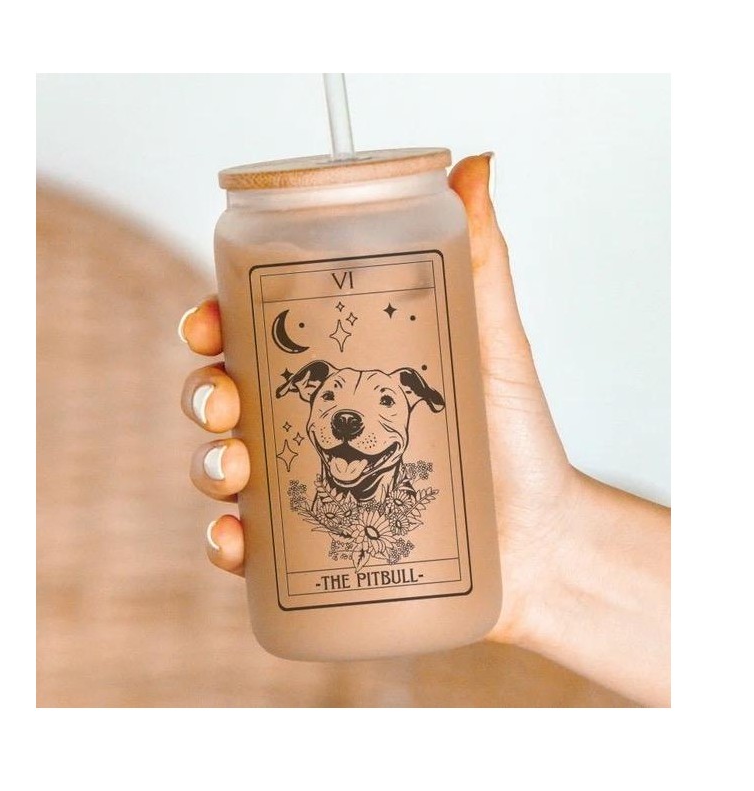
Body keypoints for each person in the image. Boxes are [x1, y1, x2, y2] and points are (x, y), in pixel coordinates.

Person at [178, 154, 671, 707]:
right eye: (331, 398)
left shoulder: (430, 221)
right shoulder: (248, 234)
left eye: (385, 400)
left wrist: (551, 553)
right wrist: (550, 562)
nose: (348, 418)